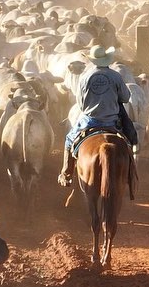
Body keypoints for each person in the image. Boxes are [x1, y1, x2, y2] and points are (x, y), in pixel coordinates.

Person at [58, 45, 135, 187]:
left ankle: (66, 173)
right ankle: (131, 174)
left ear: (92, 61)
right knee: (129, 141)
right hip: (112, 121)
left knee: (69, 139)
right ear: (107, 60)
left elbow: (80, 103)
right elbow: (125, 97)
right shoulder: (116, 76)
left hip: (90, 121)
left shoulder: (85, 77)